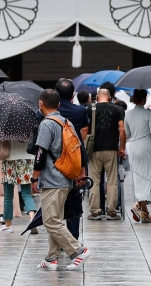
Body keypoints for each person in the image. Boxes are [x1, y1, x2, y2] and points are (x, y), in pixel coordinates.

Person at [33, 89, 91, 271]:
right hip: (66, 177)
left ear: (41, 103)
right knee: (55, 218)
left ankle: (78, 250)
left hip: (52, 179)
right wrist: (80, 172)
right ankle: (51, 258)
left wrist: (34, 177)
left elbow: (40, 153)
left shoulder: (46, 124)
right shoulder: (67, 122)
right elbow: (80, 149)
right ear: (58, 105)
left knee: (50, 220)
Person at [55, 78, 90, 239]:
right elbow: (82, 137)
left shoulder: (50, 112)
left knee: (56, 202)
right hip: (75, 159)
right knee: (74, 199)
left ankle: (60, 239)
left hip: (55, 161)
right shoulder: (80, 111)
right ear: (73, 94)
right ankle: (73, 237)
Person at [86, 87, 125, 220]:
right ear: (109, 97)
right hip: (111, 148)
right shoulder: (117, 110)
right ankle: (112, 211)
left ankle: (95, 211)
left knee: (95, 181)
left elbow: (85, 128)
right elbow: (122, 129)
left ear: (97, 97)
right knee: (112, 180)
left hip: (94, 149)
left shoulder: (90, 109)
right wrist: (122, 148)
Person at [125, 89, 151, 223]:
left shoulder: (127, 114)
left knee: (138, 176)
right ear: (144, 99)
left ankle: (144, 212)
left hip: (133, 146)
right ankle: (138, 204)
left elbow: (127, 132)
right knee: (150, 176)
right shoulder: (149, 113)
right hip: (145, 146)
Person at [0, 136, 37, 233]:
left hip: (9, 160)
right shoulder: (29, 124)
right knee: (27, 193)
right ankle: (32, 219)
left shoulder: (7, 125)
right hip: (27, 159)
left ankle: (8, 224)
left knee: (8, 195)